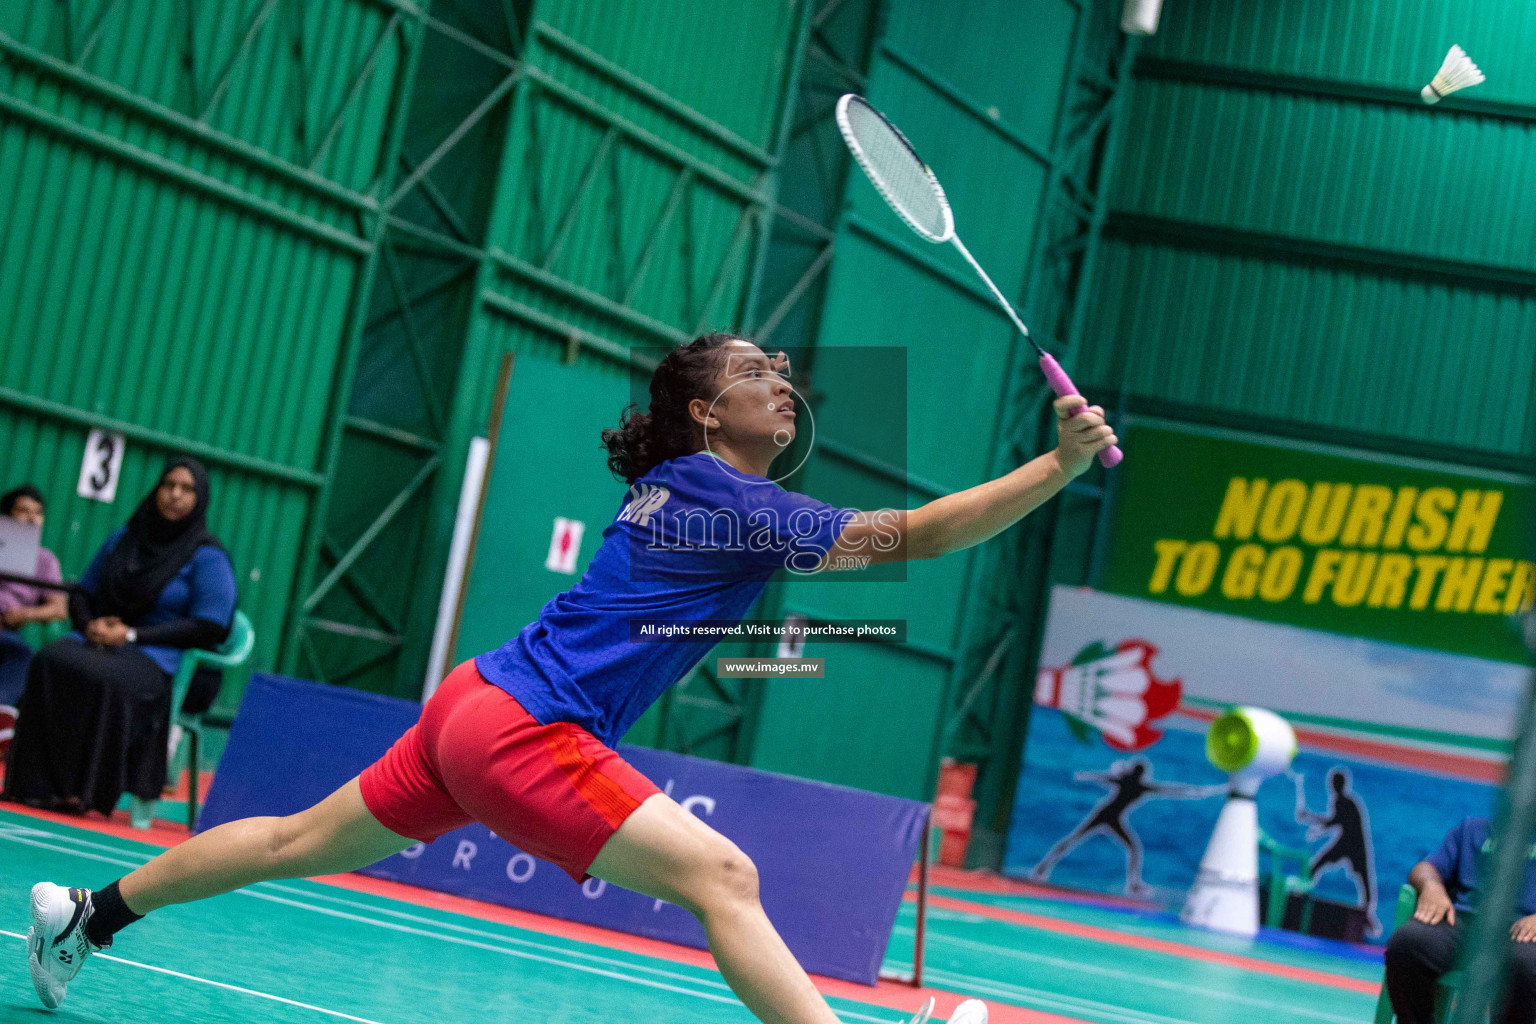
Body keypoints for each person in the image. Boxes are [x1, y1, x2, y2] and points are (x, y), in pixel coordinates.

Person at [27, 333, 1117, 1024]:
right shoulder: (728, 494)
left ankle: (87, 912)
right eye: (756, 373)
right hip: (525, 726)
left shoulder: (683, 485)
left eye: (783, 373)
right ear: (703, 410)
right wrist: (1061, 464)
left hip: (475, 701)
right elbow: (918, 536)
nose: (782, 384)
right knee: (723, 878)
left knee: (290, 841)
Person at [3, 458, 236, 818]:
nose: (174, 495)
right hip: (98, 639)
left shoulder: (207, 556)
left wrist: (131, 634)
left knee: (104, 677)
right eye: (168, 485)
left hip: (157, 656)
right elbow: (83, 592)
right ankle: (32, 785)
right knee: (50, 658)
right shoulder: (124, 539)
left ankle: (84, 792)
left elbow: (211, 623)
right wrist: (89, 626)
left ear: (200, 498)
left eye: (186, 489)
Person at [1385, 815, 1536, 1024]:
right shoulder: (1473, 829)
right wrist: (1432, 886)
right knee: (1408, 942)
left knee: (1526, 963)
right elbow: (1426, 868)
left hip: (1523, 931)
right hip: (1464, 922)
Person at [1029, 757, 1224, 896]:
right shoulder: (1136, 784)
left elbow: (1173, 790)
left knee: (1130, 847)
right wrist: (1082, 776)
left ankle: (1133, 885)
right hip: (1105, 814)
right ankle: (1042, 868)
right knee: (1075, 840)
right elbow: (1103, 777)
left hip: (1113, 818)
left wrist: (1199, 792)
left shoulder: (1136, 784)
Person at [0, 484, 68, 719]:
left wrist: (24, 614)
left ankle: (3, 715)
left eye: (37, 513)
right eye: (23, 511)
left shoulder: (44, 560)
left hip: (8, 634)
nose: (31, 519)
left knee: (23, 657)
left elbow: (59, 608)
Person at [1297, 766, 1379, 936]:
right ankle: (1300, 893)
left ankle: (1367, 915)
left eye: (1334, 783)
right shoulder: (1339, 801)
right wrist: (1315, 826)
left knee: (1364, 879)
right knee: (1317, 865)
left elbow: (1334, 822)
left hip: (1354, 845)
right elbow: (1333, 823)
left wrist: (1310, 818)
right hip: (1344, 843)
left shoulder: (1346, 802)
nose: (1332, 786)